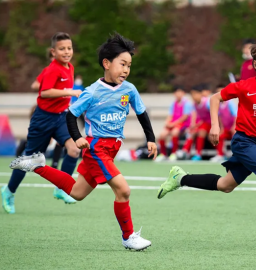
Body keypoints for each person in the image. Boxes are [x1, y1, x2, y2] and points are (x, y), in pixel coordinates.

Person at [9, 33, 157, 250]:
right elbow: (70, 115)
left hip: (112, 148)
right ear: (106, 63)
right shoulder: (92, 92)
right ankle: (128, 237)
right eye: (122, 64)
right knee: (123, 191)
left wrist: (151, 139)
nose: (126, 70)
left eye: (129, 65)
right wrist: (77, 137)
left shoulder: (129, 89)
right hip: (97, 148)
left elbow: (142, 113)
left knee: (77, 193)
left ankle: (38, 164)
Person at [157, 41, 256, 242]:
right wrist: (215, 125)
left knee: (225, 185)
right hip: (243, 142)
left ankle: (180, 178)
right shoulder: (244, 86)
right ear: (255, 65)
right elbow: (215, 99)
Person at [1, 32, 82, 214]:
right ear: (53, 52)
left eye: (69, 48)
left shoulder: (70, 67)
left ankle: (61, 188)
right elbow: (44, 92)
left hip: (61, 117)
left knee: (75, 149)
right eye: (62, 49)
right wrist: (69, 92)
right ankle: (8, 191)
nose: (67, 52)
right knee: (28, 160)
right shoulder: (52, 69)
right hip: (43, 120)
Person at [157, 85, 193, 161]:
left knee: (174, 132)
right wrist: (167, 122)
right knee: (162, 134)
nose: (178, 94)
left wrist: (173, 124)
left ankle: (174, 153)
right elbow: (170, 115)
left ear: (183, 93)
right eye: (177, 92)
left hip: (183, 124)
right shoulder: (173, 103)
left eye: (180, 92)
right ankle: (163, 154)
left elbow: (185, 116)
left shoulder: (187, 103)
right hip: (174, 123)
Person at [180, 85, 211, 161]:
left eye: (195, 94)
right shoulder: (194, 104)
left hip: (211, 124)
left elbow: (215, 115)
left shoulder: (207, 103)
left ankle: (198, 154)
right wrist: (193, 125)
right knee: (192, 131)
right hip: (204, 123)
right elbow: (195, 115)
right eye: (192, 95)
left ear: (201, 94)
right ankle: (185, 151)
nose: (193, 96)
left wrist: (216, 127)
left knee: (201, 132)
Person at [210, 83, 237, 162]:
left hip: (234, 127)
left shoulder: (230, 103)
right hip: (225, 128)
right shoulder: (218, 104)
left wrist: (234, 127)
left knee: (236, 137)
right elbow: (220, 117)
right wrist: (221, 128)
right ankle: (220, 155)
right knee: (219, 136)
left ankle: (236, 155)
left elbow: (235, 116)